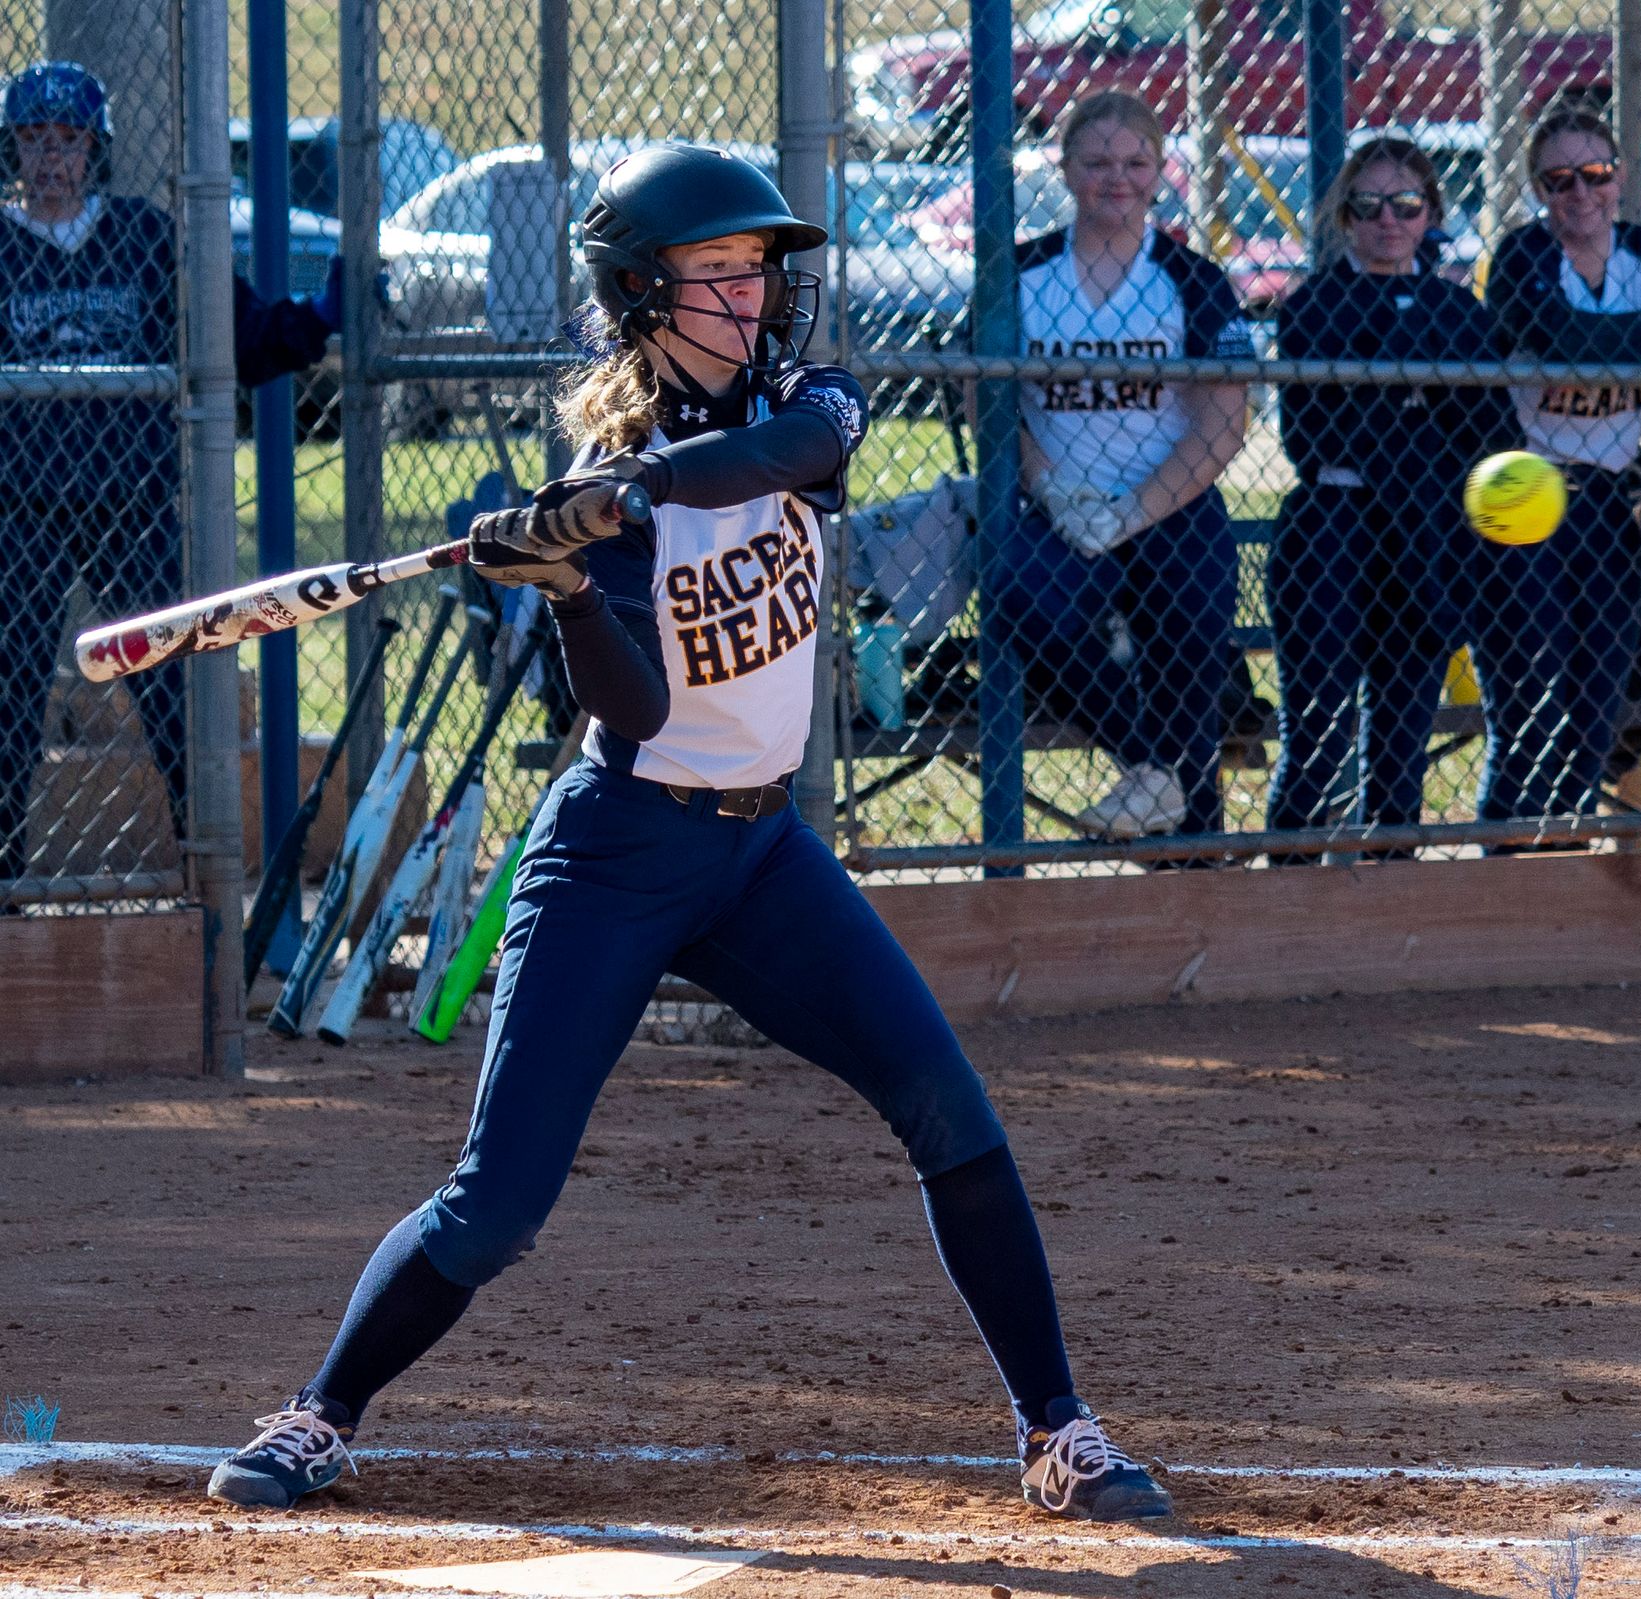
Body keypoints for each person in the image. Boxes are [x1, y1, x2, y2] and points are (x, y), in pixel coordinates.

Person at [203, 143, 1173, 1526]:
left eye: (758, 268)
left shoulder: (798, 398)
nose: (757, 291)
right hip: (619, 852)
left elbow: (798, 453)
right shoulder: (598, 493)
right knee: (497, 1207)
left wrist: (647, 487)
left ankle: (1059, 1428)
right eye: (721, 271)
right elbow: (638, 710)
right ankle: (318, 1412)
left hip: (763, 855)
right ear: (645, 294)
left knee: (951, 1111)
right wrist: (570, 585)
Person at [0, 60, 344, 886]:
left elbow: (241, 337)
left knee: (170, 684)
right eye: (33, 140)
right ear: (12, 150)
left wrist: (316, 321)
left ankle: (207, 865)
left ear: (96, 150)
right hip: (23, 504)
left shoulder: (144, 237)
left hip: (133, 501)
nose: (52, 158)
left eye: (69, 140)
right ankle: (7, 880)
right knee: (10, 698)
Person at [987, 91, 1252, 841]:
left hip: (1169, 502)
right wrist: (1053, 490)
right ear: (1065, 169)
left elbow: (1223, 424)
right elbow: (994, 407)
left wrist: (1133, 512)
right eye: (1097, 161)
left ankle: (1195, 870)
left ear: (1161, 172)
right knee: (1023, 601)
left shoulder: (1190, 277)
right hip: (1061, 499)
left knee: (1191, 624)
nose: (1117, 177)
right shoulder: (1024, 271)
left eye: (1136, 162)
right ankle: (1151, 771)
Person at [1480, 106, 1641, 829]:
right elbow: (1555, 338)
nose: (1580, 194)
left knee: (1597, 701)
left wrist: (1619, 344)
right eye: (1560, 180)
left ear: (1620, 178)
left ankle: (1558, 844)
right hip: (1527, 484)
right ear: (1539, 188)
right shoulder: (1524, 255)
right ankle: (1502, 853)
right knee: (1528, 692)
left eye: (1595, 175)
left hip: (1613, 499)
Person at [1270, 137, 1517, 853]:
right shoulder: (1313, 304)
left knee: (1401, 741)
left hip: (1431, 534)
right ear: (1344, 217)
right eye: (1368, 204)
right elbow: (1318, 437)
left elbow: (1490, 431)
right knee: (1317, 735)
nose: (1387, 220)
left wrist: (1391, 382)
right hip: (1334, 533)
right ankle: (1284, 894)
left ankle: (1391, 900)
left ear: (1431, 214)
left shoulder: (1456, 307)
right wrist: (1428, 391)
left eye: (1406, 205)